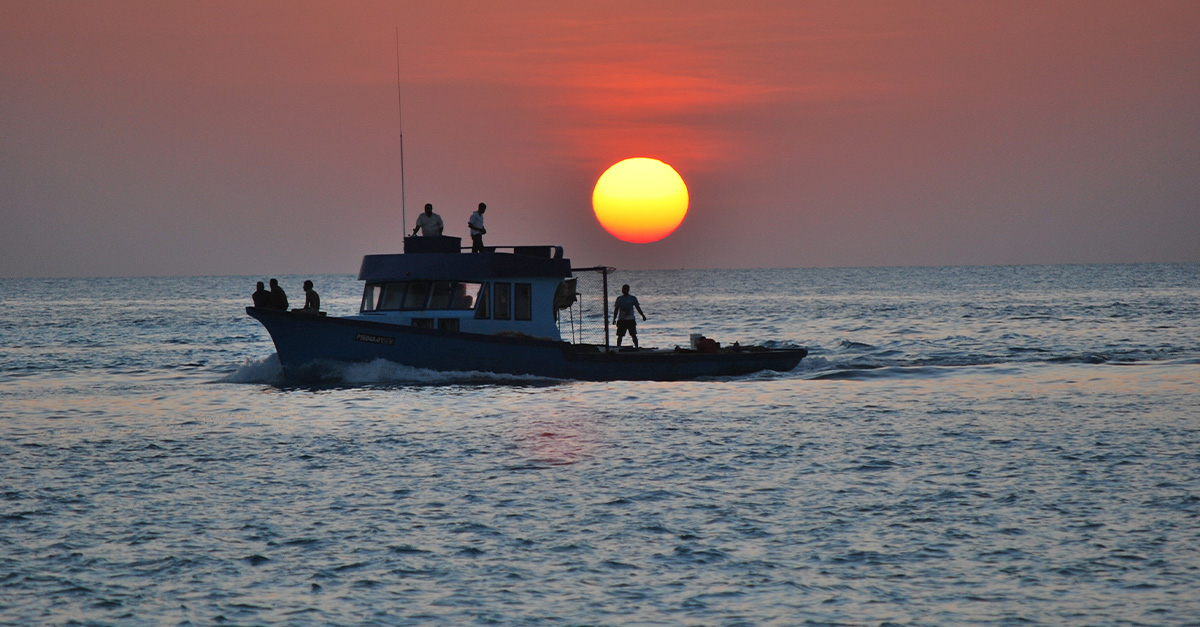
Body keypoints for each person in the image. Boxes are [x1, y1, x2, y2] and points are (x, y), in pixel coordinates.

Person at [612, 284, 646, 348]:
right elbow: (616, 310)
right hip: (621, 320)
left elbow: (638, 308)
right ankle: (618, 347)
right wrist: (614, 319)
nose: (624, 291)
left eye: (625, 289)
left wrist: (643, 315)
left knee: (633, 335)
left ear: (628, 290)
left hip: (631, 319)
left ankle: (636, 347)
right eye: (623, 289)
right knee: (620, 335)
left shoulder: (632, 298)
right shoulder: (619, 299)